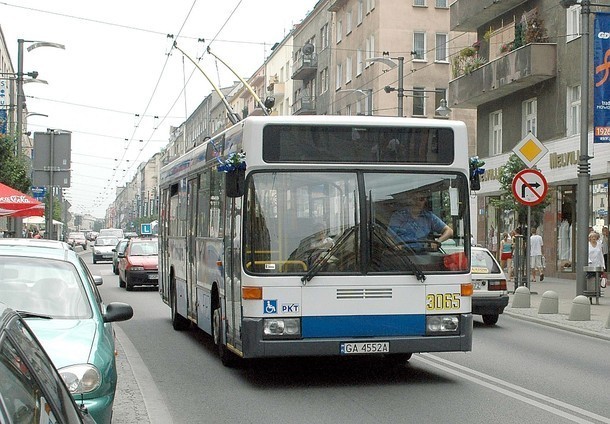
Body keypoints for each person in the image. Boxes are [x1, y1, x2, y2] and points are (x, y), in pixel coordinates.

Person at [387, 189, 453, 250]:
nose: (417, 202)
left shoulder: (429, 216)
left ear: (425, 200)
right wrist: (395, 247)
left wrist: (438, 241)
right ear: (409, 200)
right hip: (403, 255)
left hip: (423, 254)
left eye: (421, 199)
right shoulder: (399, 216)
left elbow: (449, 231)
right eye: (415, 199)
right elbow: (389, 236)